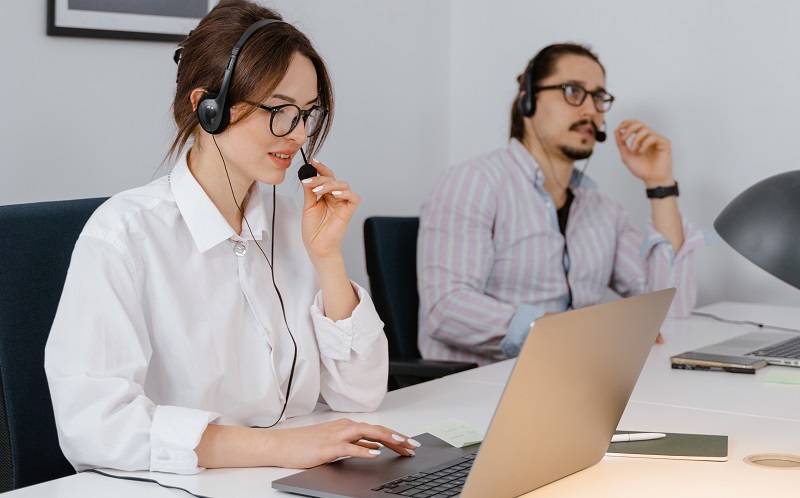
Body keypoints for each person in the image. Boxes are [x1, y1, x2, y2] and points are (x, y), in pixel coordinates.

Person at [44, 0, 419, 475]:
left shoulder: (297, 223)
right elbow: (95, 427)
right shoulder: (123, 236)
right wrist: (285, 449)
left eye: (307, 113)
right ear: (209, 108)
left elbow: (361, 394)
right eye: (280, 111)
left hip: (293, 480)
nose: (297, 133)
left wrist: (327, 259)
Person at [417, 43, 708, 366]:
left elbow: (670, 310)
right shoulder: (474, 182)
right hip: (478, 387)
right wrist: (569, 332)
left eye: (599, 97)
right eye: (573, 91)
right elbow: (445, 309)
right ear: (528, 99)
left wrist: (660, 184)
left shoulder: (604, 210)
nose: (590, 111)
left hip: (571, 377)